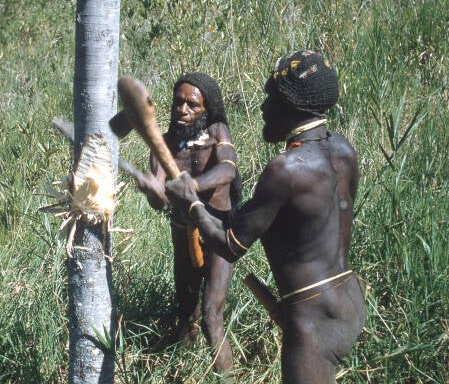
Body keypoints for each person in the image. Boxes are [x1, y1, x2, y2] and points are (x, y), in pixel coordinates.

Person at [164, 51, 366, 384]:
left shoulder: (286, 168)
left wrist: (190, 202)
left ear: (291, 106)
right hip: (349, 302)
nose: (262, 108)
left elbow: (228, 246)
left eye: (269, 97)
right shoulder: (343, 149)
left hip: (313, 323)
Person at [136, 72, 242, 374]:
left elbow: (227, 171)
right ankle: (183, 372)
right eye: (178, 103)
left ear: (206, 108)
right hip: (182, 232)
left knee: (211, 315)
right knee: (186, 313)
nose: (182, 110)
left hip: (219, 233)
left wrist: (191, 186)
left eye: (191, 105)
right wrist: (152, 190)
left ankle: (227, 379)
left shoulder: (218, 131)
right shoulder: (164, 143)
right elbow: (160, 201)